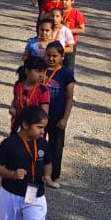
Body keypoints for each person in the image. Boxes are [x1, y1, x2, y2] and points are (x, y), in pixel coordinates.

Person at [40, 41, 76, 187]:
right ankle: (37, 171)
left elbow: (69, 97)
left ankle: (54, 176)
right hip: (39, 115)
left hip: (57, 116)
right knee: (38, 144)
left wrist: (65, 118)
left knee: (56, 146)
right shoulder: (39, 69)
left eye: (55, 56)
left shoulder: (66, 74)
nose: (51, 59)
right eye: (48, 55)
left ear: (62, 56)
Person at [12, 56, 51, 130]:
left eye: (42, 71)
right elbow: (15, 100)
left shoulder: (43, 90)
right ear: (27, 71)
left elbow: (44, 114)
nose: (41, 75)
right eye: (37, 71)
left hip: (33, 128)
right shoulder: (18, 85)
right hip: (18, 124)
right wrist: (12, 108)